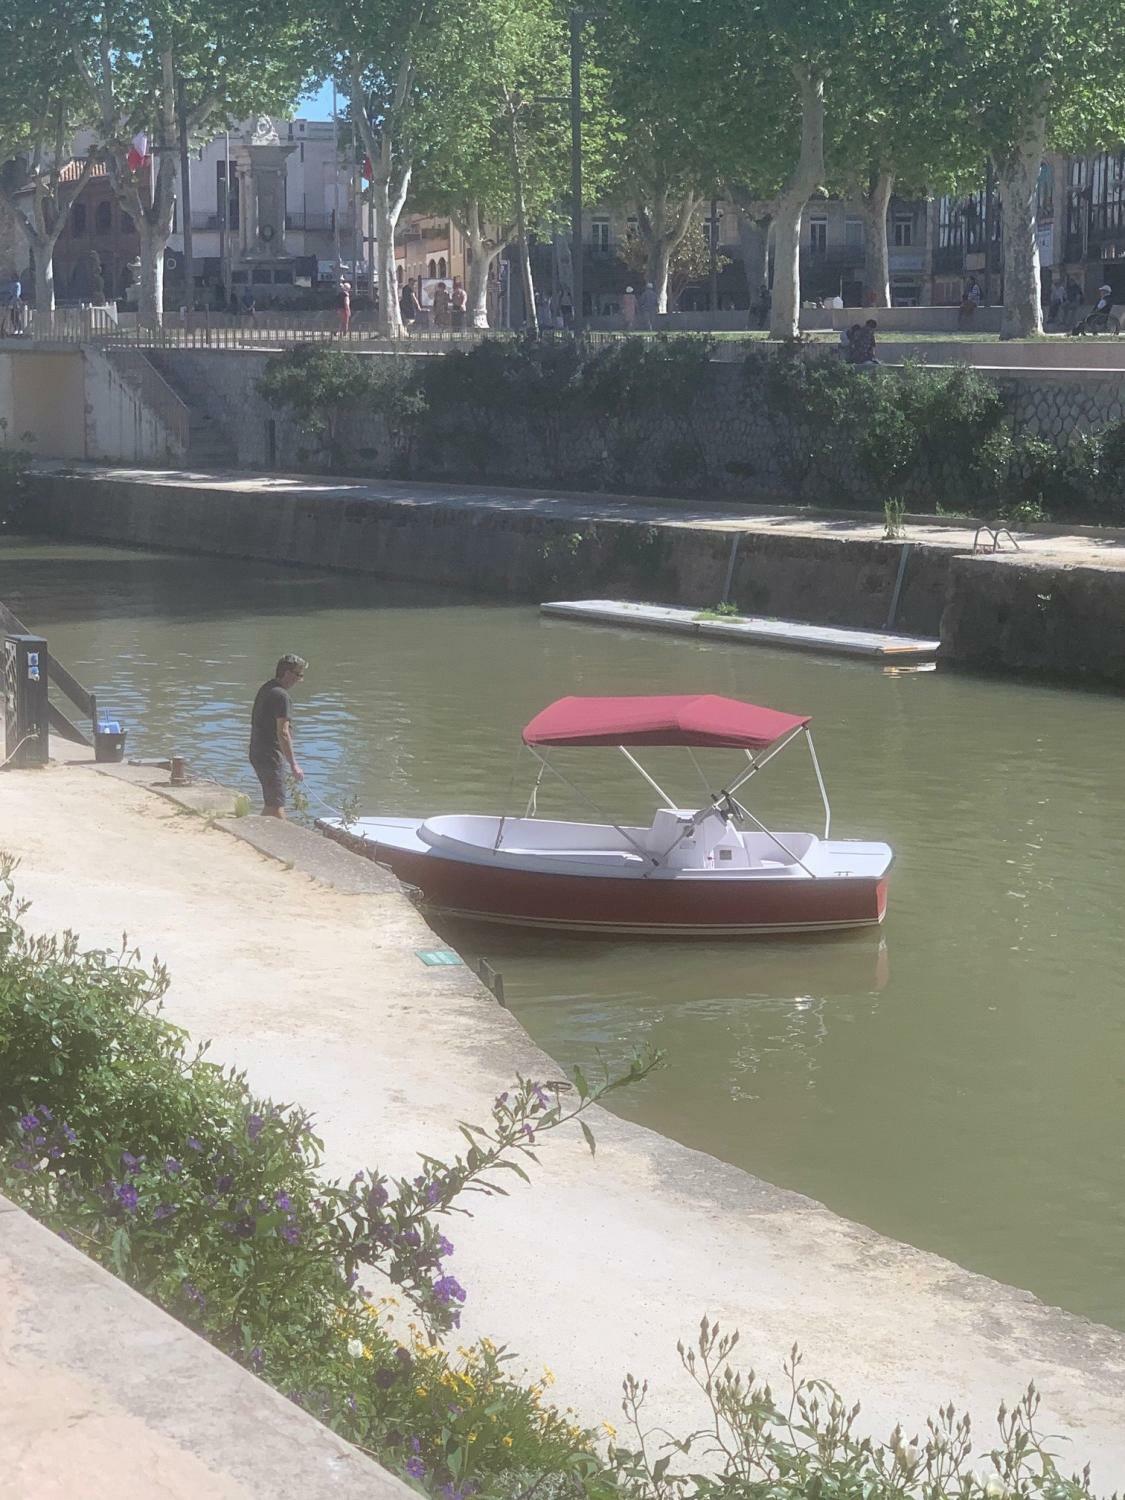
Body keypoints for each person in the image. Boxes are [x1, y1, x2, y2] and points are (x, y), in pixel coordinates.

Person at [249, 654, 307, 818]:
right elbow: (283, 732)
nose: (300, 680)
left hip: (257, 752)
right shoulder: (282, 696)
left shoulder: (267, 688)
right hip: (270, 756)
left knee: (272, 803)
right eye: (299, 675)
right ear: (288, 673)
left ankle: (256, 831)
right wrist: (294, 764)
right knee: (276, 807)